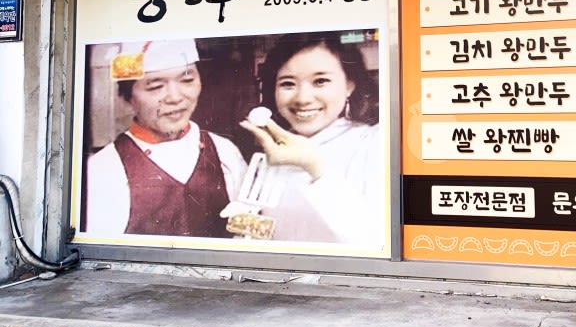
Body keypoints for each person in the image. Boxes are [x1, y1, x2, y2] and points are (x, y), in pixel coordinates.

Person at [231, 32, 384, 247]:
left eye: (320, 81)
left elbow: (376, 243)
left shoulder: (374, 143)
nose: (303, 98)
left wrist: (314, 165)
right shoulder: (271, 151)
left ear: (349, 85)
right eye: (288, 84)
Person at [85, 39, 247, 237]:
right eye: (155, 86)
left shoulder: (225, 152)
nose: (175, 97)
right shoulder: (102, 170)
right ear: (127, 98)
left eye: (187, 80)